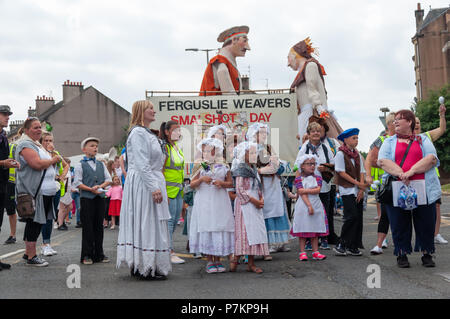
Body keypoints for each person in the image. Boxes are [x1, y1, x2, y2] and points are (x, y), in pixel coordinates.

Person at [378, 109, 441, 268]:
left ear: (410, 122)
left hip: (423, 188)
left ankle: (427, 253)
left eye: (400, 119)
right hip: (398, 187)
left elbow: (431, 159)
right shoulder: (389, 141)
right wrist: (401, 173)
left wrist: (411, 171)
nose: (395, 122)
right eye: (395, 120)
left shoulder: (423, 140)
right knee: (399, 222)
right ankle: (401, 254)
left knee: (426, 222)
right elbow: (382, 161)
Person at [117, 100, 172, 280]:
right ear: (141, 111)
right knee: (146, 221)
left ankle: (145, 263)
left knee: (150, 221)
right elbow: (141, 162)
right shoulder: (138, 133)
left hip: (149, 179)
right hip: (143, 182)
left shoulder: (148, 134)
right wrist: (153, 187)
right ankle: (145, 266)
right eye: (150, 108)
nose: (153, 111)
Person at [15, 117, 61, 266]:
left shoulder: (36, 144)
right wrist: (53, 160)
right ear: (27, 130)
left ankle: (28, 253)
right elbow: (36, 164)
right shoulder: (25, 144)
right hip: (34, 191)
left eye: (39, 127)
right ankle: (32, 256)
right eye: (35, 127)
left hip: (44, 191)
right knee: (34, 223)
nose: (39, 130)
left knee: (35, 223)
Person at [189, 138, 235, 273]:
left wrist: (222, 184)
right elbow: (191, 184)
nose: (207, 153)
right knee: (208, 225)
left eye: (210, 151)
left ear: (216, 151)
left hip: (220, 200)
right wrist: (202, 179)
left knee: (219, 225)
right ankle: (210, 260)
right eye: (205, 151)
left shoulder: (224, 165)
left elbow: (231, 183)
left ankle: (218, 260)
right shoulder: (199, 165)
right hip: (205, 200)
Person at [247, 123, 291, 260]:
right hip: (262, 183)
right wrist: (261, 170)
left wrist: (278, 167)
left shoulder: (269, 148)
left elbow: (276, 164)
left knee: (277, 209)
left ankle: (280, 242)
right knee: (266, 211)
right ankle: (268, 243)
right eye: (261, 133)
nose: (264, 136)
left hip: (273, 184)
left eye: (266, 133)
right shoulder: (250, 148)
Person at [287, 38, 342, 142]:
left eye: (288, 58)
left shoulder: (310, 65)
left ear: (295, 56)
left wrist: (319, 108)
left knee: (314, 141)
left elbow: (312, 88)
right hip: (308, 112)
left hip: (312, 112)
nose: (288, 63)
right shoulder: (305, 69)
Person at [294, 121, 336, 250]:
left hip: (323, 186)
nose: (316, 133)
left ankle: (323, 239)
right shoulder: (305, 148)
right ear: (309, 134)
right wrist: (298, 185)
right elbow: (297, 165)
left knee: (323, 213)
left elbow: (334, 165)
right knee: (308, 212)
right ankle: (308, 240)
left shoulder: (325, 148)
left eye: (318, 131)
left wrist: (326, 169)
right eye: (313, 131)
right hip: (308, 186)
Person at [230, 141, 269, 274]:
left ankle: (251, 263)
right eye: (250, 153)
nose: (253, 155)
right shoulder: (241, 169)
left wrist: (261, 198)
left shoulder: (253, 170)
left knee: (254, 232)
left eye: (254, 153)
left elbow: (258, 187)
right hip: (245, 204)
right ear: (243, 154)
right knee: (244, 232)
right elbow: (239, 190)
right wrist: (254, 201)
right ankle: (236, 257)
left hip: (255, 204)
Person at [73, 137, 112, 265]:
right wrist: (90, 189)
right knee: (88, 227)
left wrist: (100, 187)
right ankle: (87, 255)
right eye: (92, 146)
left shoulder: (101, 164)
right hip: (87, 199)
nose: (95, 148)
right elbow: (77, 182)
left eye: (96, 146)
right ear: (84, 149)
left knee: (99, 227)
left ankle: (99, 254)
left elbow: (108, 179)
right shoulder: (80, 165)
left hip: (99, 198)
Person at [414, 104, 447, 245]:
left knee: (436, 207)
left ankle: (435, 234)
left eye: (418, 122)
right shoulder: (403, 140)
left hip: (431, 180)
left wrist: (441, 115)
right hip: (415, 179)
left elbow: (442, 129)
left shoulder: (426, 136)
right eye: (414, 122)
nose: (417, 124)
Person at [333, 128, 368, 256]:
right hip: (347, 190)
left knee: (358, 218)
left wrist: (361, 188)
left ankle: (353, 245)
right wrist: (357, 183)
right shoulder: (340, 154)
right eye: (354, 138)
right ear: (346, 140)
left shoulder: (357, 154)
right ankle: (342, 243)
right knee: (351, 216)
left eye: (357, 138)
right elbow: (341, 172)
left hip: (356, 190)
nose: (356, 140)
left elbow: (362, 172)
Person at [365, 112, 396, 255]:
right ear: (389, 124)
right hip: (387, 182)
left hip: (404, 180)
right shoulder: (381, 139)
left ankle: (401, 242)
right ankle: (379, 243)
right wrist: (369, 175)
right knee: (385, 213)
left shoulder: (405, 138)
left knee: (403, 214)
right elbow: (369, 159)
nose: (397, 124)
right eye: (395, 122)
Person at [291, 154, 328, 261]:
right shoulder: (298, 179)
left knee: (315, 229)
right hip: (303, 206)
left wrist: (305, 190)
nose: (312, 166)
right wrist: (309, 205)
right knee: (303, 229)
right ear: (302, 166)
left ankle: (315, 251)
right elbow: (301, 194)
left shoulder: (318, 178)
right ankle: (302, 252)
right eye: (309, 164)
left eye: (313, 164)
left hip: (317, 204)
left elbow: (317, 190)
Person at [160, 120, 186, 264]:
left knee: (175, 221)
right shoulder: (165, 148)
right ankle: (168, 252)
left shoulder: (176, 147)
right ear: (167, 132)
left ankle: (168, 249)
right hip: (169, 190)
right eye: (175, 130)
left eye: (179, 130)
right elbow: (161, 170)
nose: (178, 132)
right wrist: (163, 191)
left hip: (178, 190)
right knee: (169, 222)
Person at [39, 131, 69, 256]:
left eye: (51, 141)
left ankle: (48, 243)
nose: (49, 143)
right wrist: (52, 158)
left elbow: (66, 165)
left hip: (55, 188)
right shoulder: (40, 153)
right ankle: (43, 245)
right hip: (42, 189)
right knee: (43, 218)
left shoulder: (55, 153)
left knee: (51, 217)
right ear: (41, 142)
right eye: (46, 140)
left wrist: (61, 176)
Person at [200, 26, 250, 96]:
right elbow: (230, 96)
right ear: (234, 40)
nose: (248, 48)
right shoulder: (220, 61)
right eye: (244, 41)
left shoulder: (228, 63)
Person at [0, 105, 20, 270]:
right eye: (4, 114)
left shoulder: (4, 136)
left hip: (3, 184)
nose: (7, 117)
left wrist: (11, 163)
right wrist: (3, 163)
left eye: (8, 114)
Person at [4, 139, 18, 244]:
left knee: (11, 210)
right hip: (3, 182)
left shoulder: (12, 147)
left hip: (10, 182)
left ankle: (12, 235)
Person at [57, 158, 73, 230]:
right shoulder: (61, 170)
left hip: (68, 191)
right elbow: (57, 177)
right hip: (62, 190)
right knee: (62, 208)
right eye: (68, 163)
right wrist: (61, 177)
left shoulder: (68, 171)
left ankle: (61, 220)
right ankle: (60, 224)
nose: (69, 165)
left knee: (70, 207)